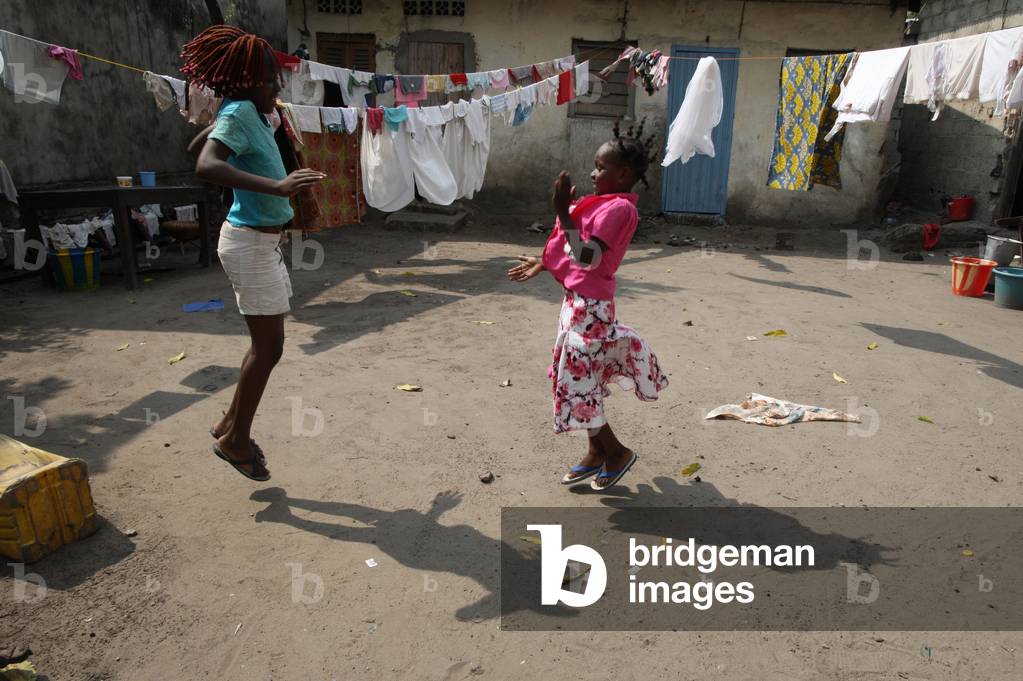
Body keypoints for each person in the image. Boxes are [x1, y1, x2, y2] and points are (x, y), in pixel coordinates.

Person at [183, 25, 325, 481]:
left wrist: (220, 124)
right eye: (268, 81)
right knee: (269, 349)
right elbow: (205, 163)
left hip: (261, 243)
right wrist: (278, 186)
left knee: (264, 347)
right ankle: (235, 442)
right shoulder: (243, 109)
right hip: (249, 244)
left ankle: (229, 422)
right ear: (246, 83)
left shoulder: (246, 112)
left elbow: (197, 145)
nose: (276, 88)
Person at [507, 119, 669, 490]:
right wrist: (544, 261)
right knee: (578, 379)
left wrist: (563, 213)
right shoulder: (602, 205)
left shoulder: (620, 210)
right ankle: (597, 451)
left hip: (591, 309)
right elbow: (572, 250)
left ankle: (617, 452)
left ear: (623, 174)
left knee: (576, 381)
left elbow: (589, 257)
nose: (593, 174)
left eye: (600, 167)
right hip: (576, 304)